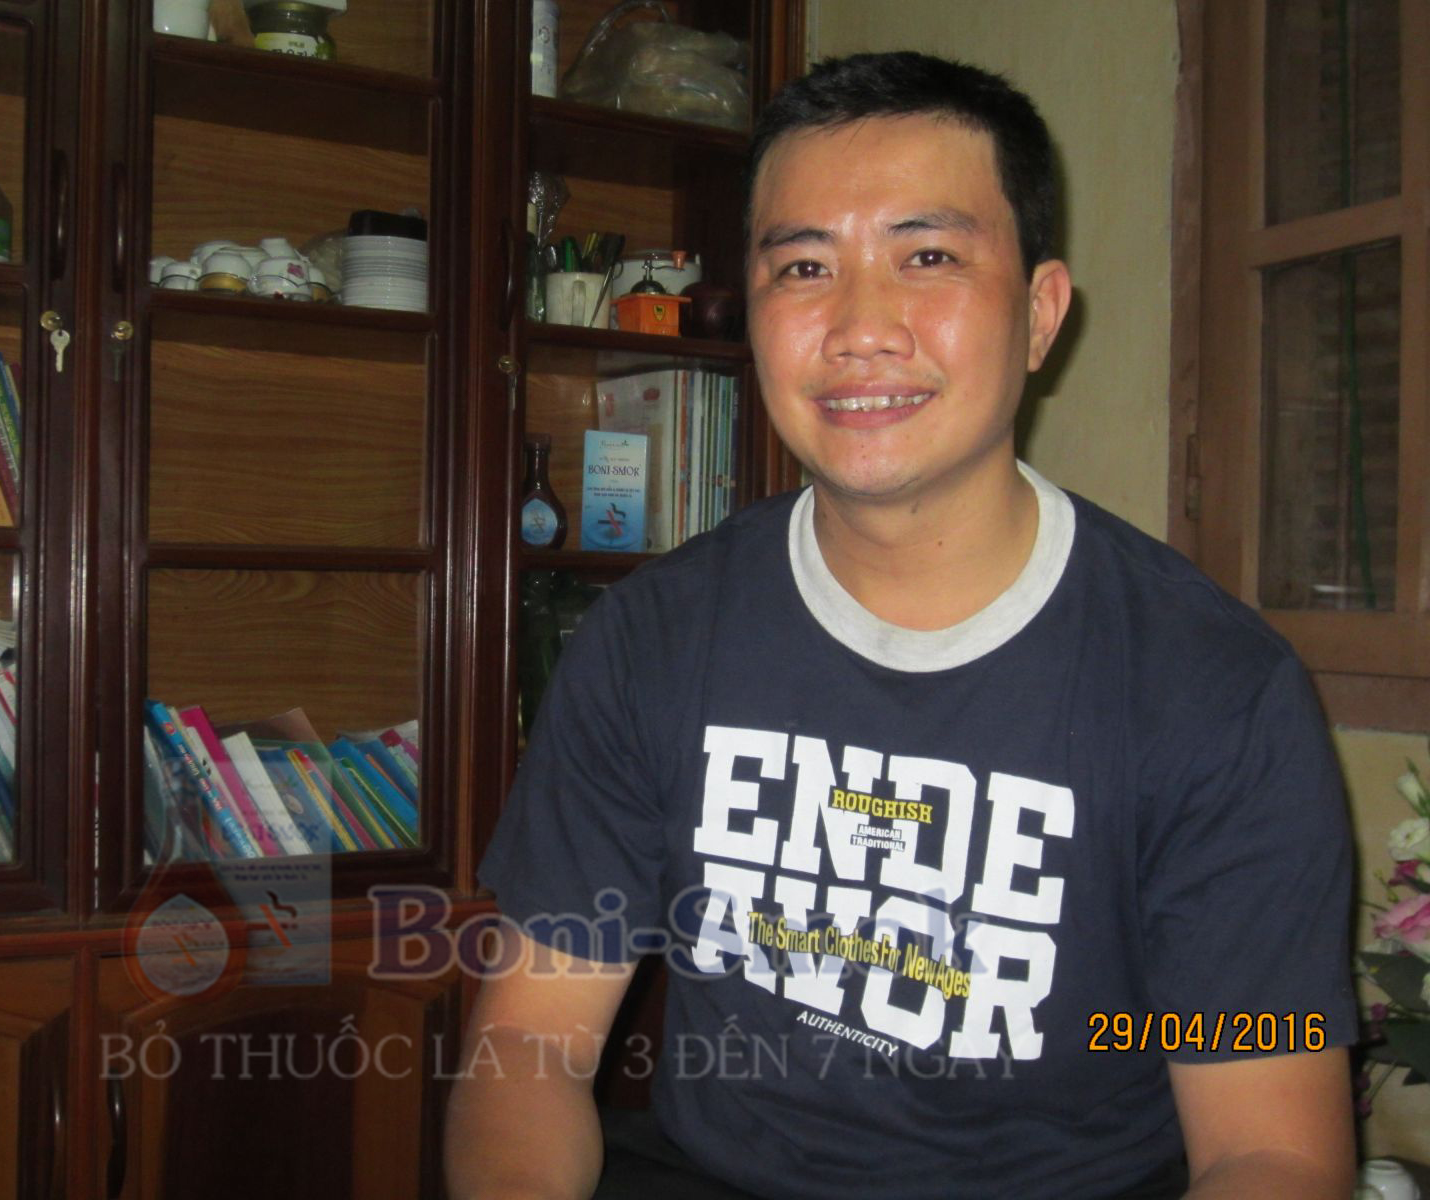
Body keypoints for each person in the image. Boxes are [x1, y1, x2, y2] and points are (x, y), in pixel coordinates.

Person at [446, 51, 1358, 1200]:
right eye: (803, 267)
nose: (859, 327)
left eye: (927, 257)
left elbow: (1269, 1152)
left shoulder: (1214, 689)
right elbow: (528, 1043)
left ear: (1040, 315)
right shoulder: (651, 639)